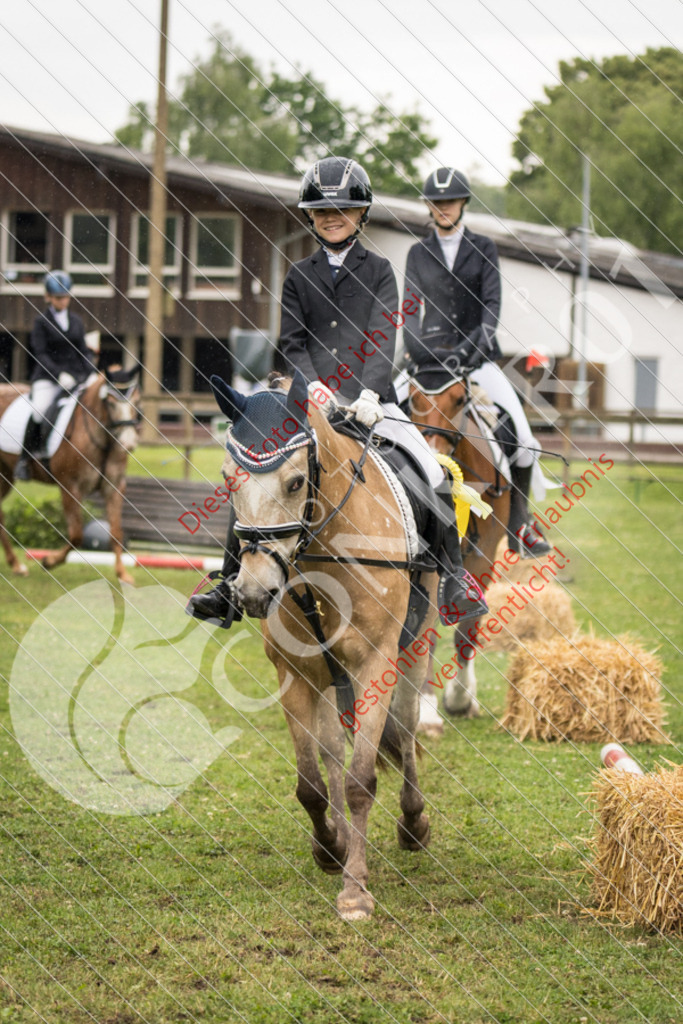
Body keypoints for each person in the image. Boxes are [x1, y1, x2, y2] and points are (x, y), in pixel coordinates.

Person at [187, 156, 487, 628]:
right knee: (257, 473)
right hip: (307, 401)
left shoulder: (380, 270)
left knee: (430, 468)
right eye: (322, 210)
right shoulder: (298, 274)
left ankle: (453, 579)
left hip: (371, 402)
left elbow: (383, 335)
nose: (332, 217)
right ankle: (228, 584)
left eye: (342, 209)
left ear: (361, 214)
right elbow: (292, 343)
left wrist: (368, 394)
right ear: (310, 216)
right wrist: (315, 390)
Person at [404, 167, 551, 558]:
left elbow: (491, 308)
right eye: (436, 202)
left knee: (523, 438)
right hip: (428, 363)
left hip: (476, 359)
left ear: (463, 203)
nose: (443, 208)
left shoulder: (483, 247)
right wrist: (419, 350)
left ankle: (520, 524)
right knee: (384, 417)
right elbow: (408, 311)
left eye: (450, 201)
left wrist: (468, 351)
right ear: (429, 206)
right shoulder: (418, 253)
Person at [15, 270, 94, 481]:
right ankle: (25, 458)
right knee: (39, 411)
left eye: (66, 297)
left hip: (76, 377)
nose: (63, 301)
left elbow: (83, 351)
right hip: (48, 377)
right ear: (48, 297)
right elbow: (40, 354)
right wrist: (59, 374)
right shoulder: (41, 322)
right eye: (58, 298)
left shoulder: (76, 321)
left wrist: (90, 371)